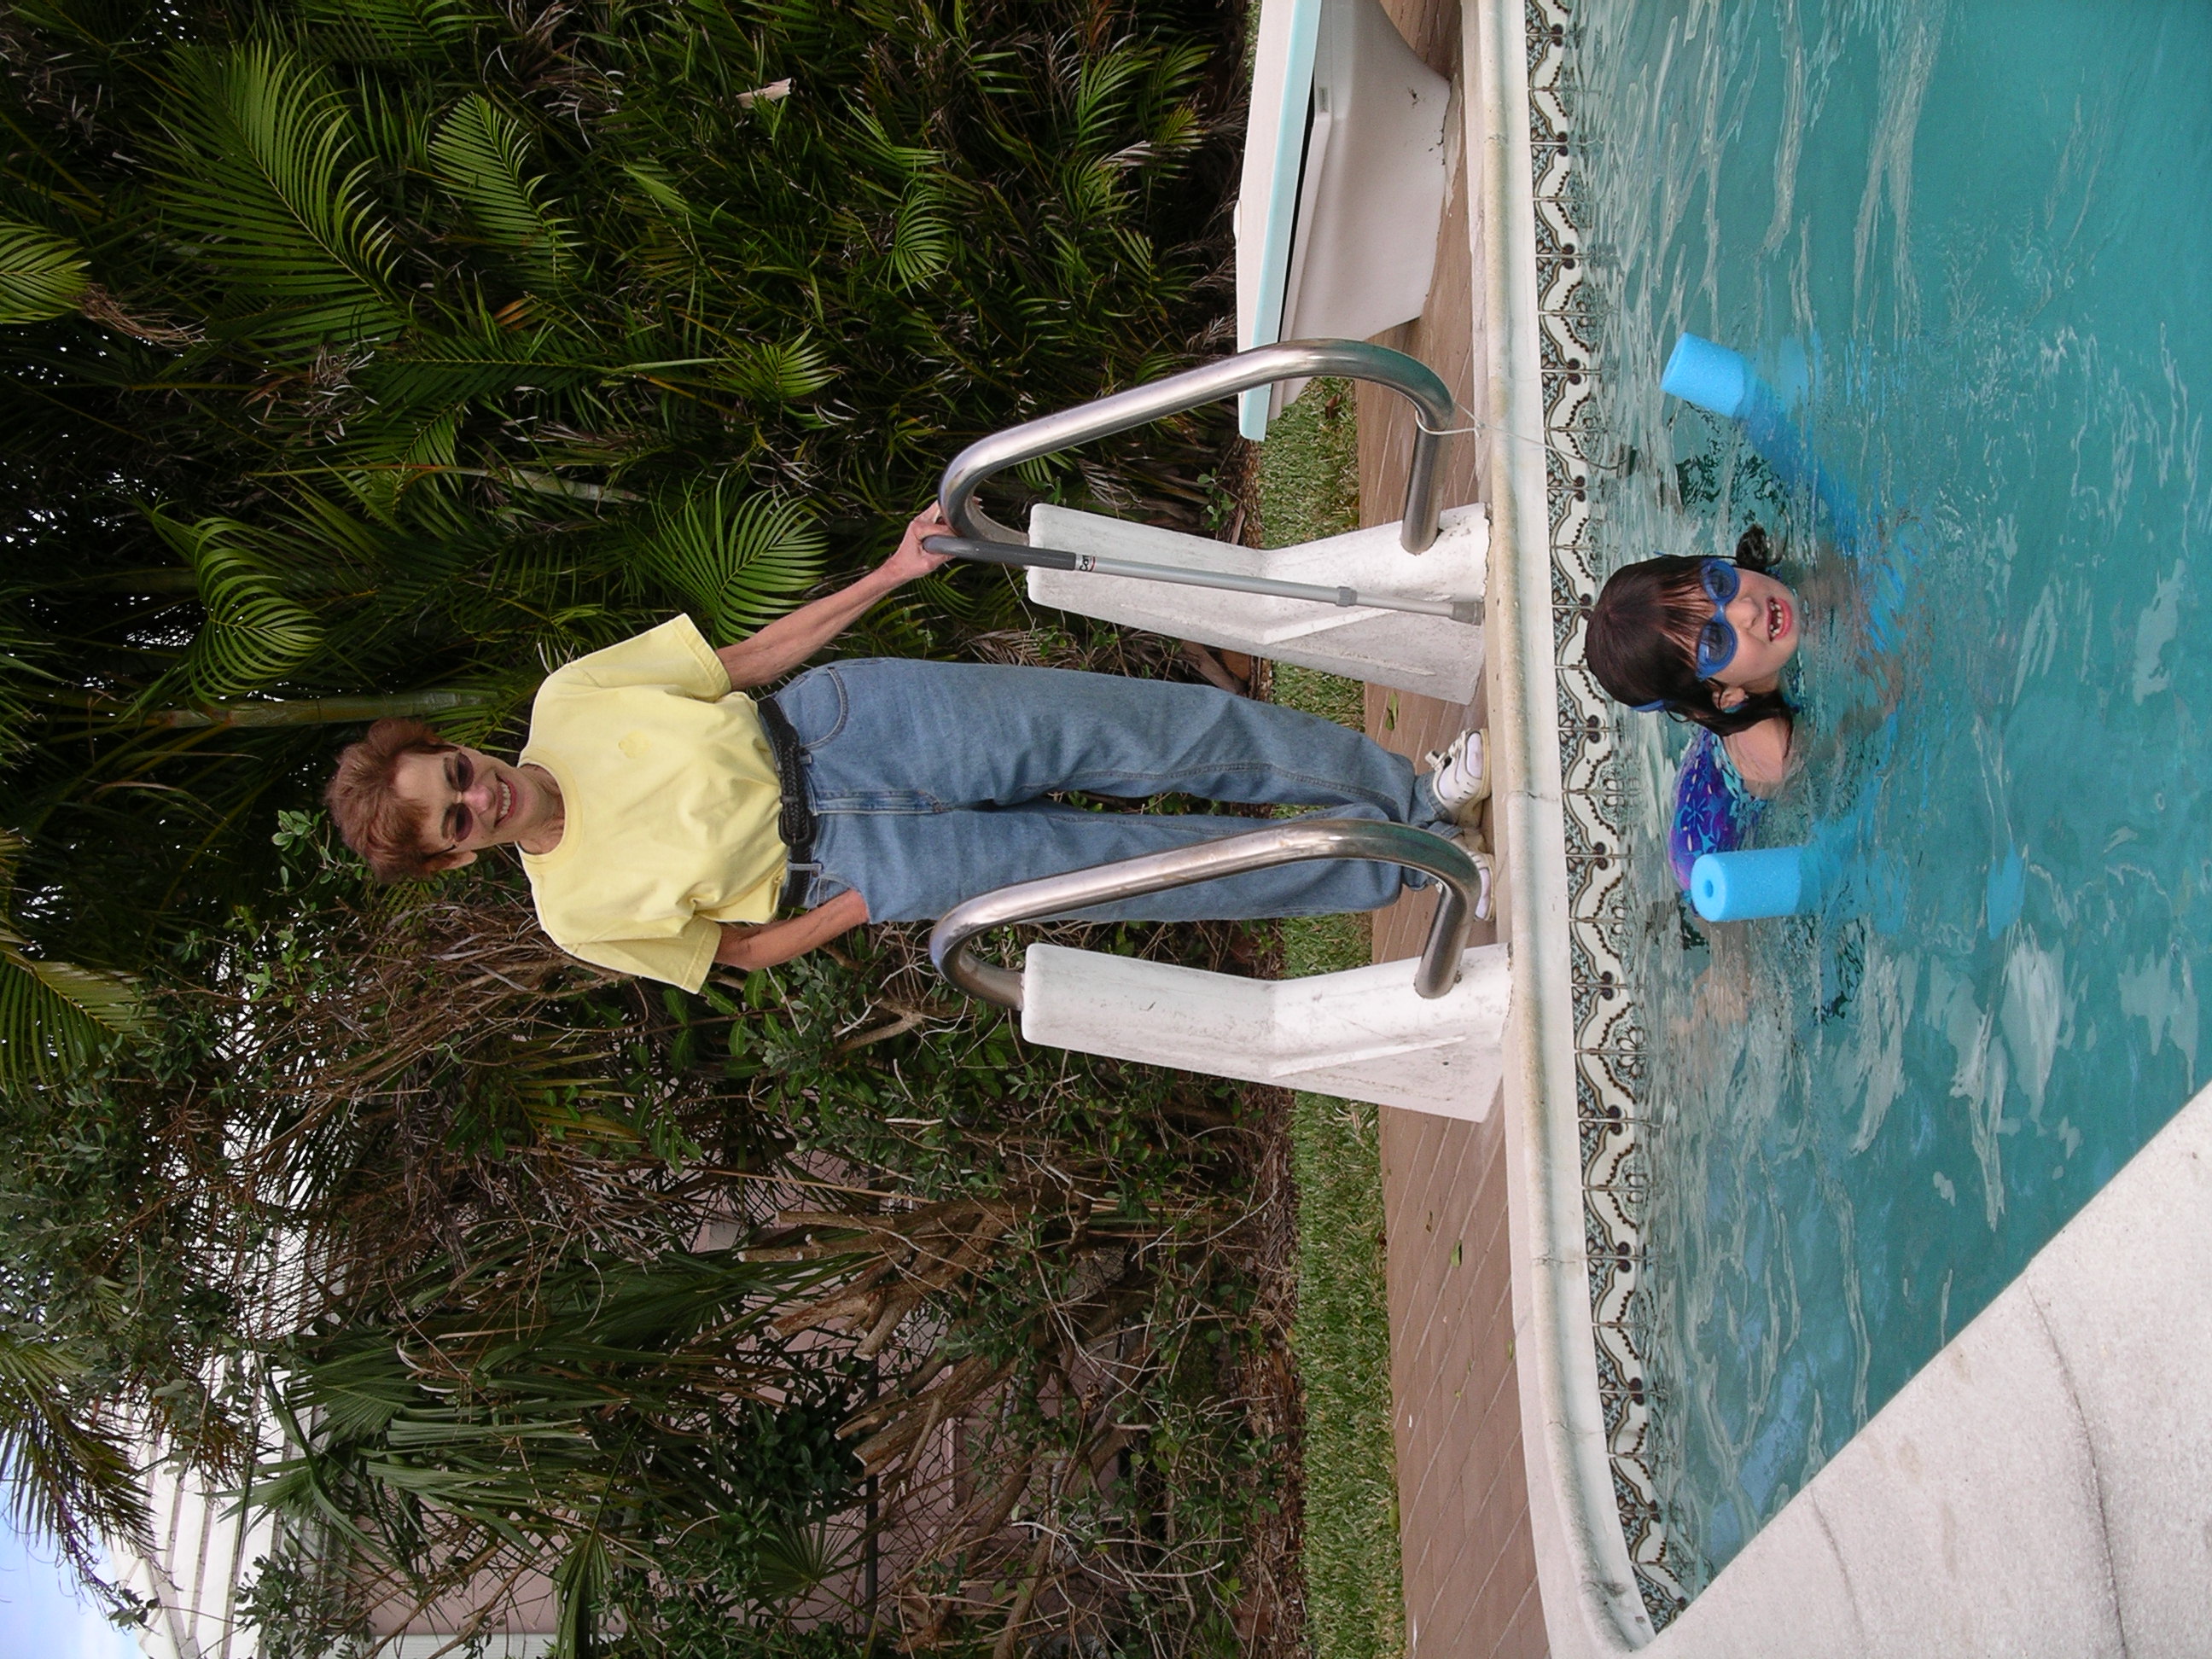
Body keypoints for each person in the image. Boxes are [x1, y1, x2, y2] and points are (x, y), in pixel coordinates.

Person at [324, 508, 1493, 992]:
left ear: (459, 749)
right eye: (458, 818)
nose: (482, 794)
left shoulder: (572, 695)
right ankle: (1411, 865)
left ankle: (1413, 793)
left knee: (1151, 734)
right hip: (851, 867)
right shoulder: (573, 916)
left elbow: (745, 660)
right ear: (456, 856)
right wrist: (864, 901)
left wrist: (887, 575)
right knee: (1147, 868)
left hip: (848, 724)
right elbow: (738, 952)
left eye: (457, 772)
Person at [1583, 525, 1801, 797]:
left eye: (1718, 584)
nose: (1748, 608)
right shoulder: (1779, 752)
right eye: (1716, 642)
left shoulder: (1785, 584)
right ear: (1723, 696)